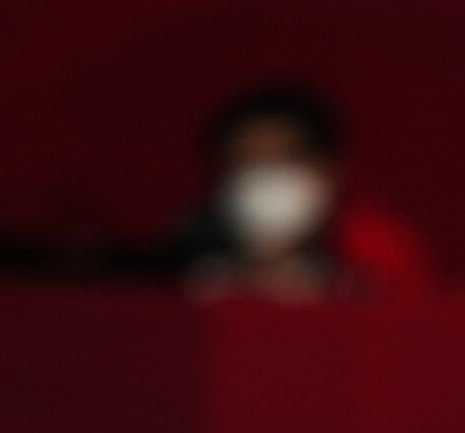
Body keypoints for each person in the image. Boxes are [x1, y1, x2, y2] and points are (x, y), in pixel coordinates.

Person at [180, 85, 434, 302]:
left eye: (284, 160)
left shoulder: (382, 259)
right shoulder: (183, 261)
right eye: (248, 162)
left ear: (330, 169)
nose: (267, 181)